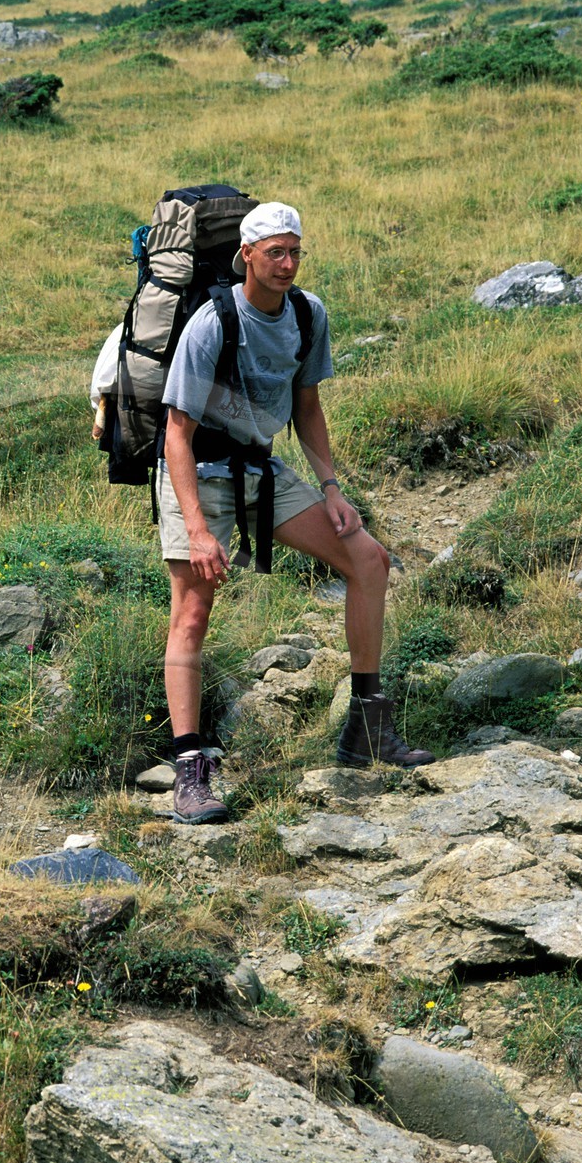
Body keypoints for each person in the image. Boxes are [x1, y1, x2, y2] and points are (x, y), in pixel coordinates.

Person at [159, 201, 434, 825]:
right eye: (275, 253)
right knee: (193, 610)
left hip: (260, 466)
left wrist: (332, 488)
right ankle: (189, 769)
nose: (287, 265)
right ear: (246, 256)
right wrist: (198, 529)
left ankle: (365, 729)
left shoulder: (308, 315)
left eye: (295, 252)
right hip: (197, 471)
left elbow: (306, 406)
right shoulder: (212, 322)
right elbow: (176, 432)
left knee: (368, 559)